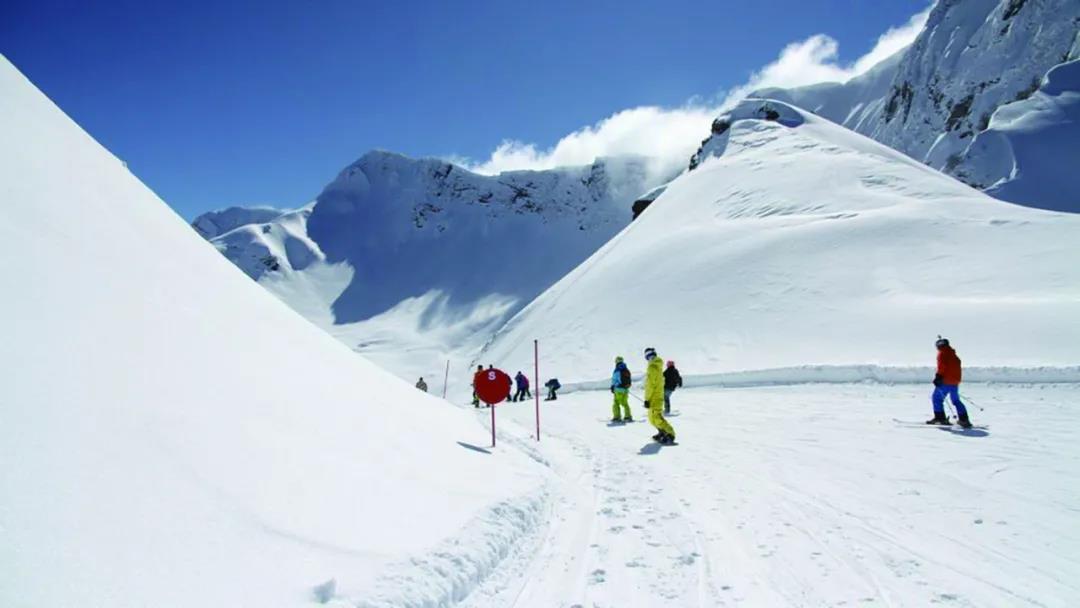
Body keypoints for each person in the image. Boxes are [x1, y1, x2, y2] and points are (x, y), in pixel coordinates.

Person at [927, 337, 972, 428]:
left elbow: (942, 367)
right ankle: (964, 419)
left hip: (945, 381)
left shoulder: (942, 354)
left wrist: (938, 377)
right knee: (956, 400)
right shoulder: (954, 355)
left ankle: (940, 418)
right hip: (955, 382)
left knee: (936, 398)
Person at [643, 347, 676, 444]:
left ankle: (670, 433)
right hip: (656, 395)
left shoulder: (652, 367)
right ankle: (662, 432)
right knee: (652, 418)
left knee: (656, 417)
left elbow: (650, 385)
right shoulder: (656, 365)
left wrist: (647, 399)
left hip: (654, 396)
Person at [610, 356, 633, 423]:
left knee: (616, 403)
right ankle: (628, 416)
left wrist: (612, 387)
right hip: (625, 390)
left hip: (618, 389)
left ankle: (617, 417)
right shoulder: (626, 370)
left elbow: (614, 379)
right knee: (625, 403)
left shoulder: (617, 370)